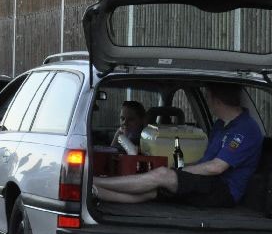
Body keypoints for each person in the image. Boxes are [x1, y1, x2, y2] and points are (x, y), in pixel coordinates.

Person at [91, 83, 263, 207]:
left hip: (224, 191)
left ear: (216, 99)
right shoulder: (220, 125)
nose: (209, 101)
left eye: (208, 97)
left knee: (161, 176)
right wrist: (177, 168)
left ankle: (93, 181)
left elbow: (216, 167)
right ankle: (93, 190)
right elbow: (206, 161)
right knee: (152, 190)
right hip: (208, 182)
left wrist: (176, 172)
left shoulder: (246, 129)